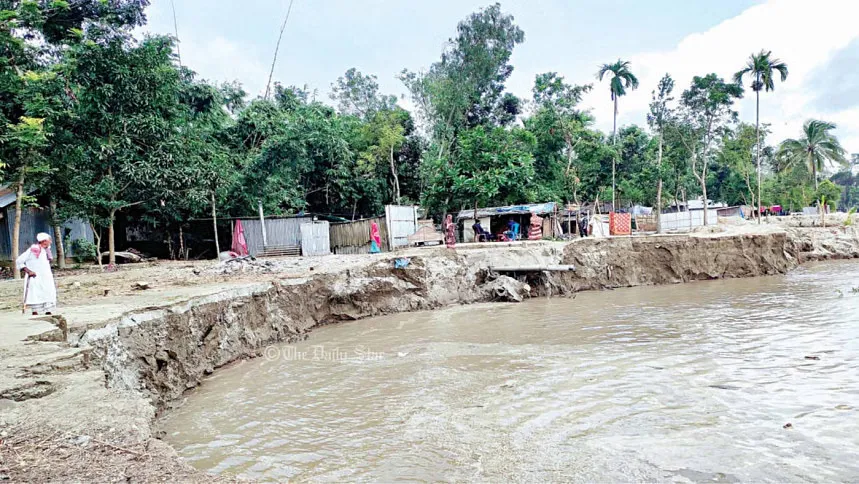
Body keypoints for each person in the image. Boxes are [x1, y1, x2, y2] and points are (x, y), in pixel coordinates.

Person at [16, 233, 57, 316]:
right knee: (35, 293)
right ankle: (35, 311)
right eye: (49, 240)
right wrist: (28, 271)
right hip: (35, 276)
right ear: (44, 241)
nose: (51, 242)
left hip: (46, 276)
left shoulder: (47, 250)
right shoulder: (33, 250)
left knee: (47, 291)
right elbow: (19, 261)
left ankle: (47, 310)